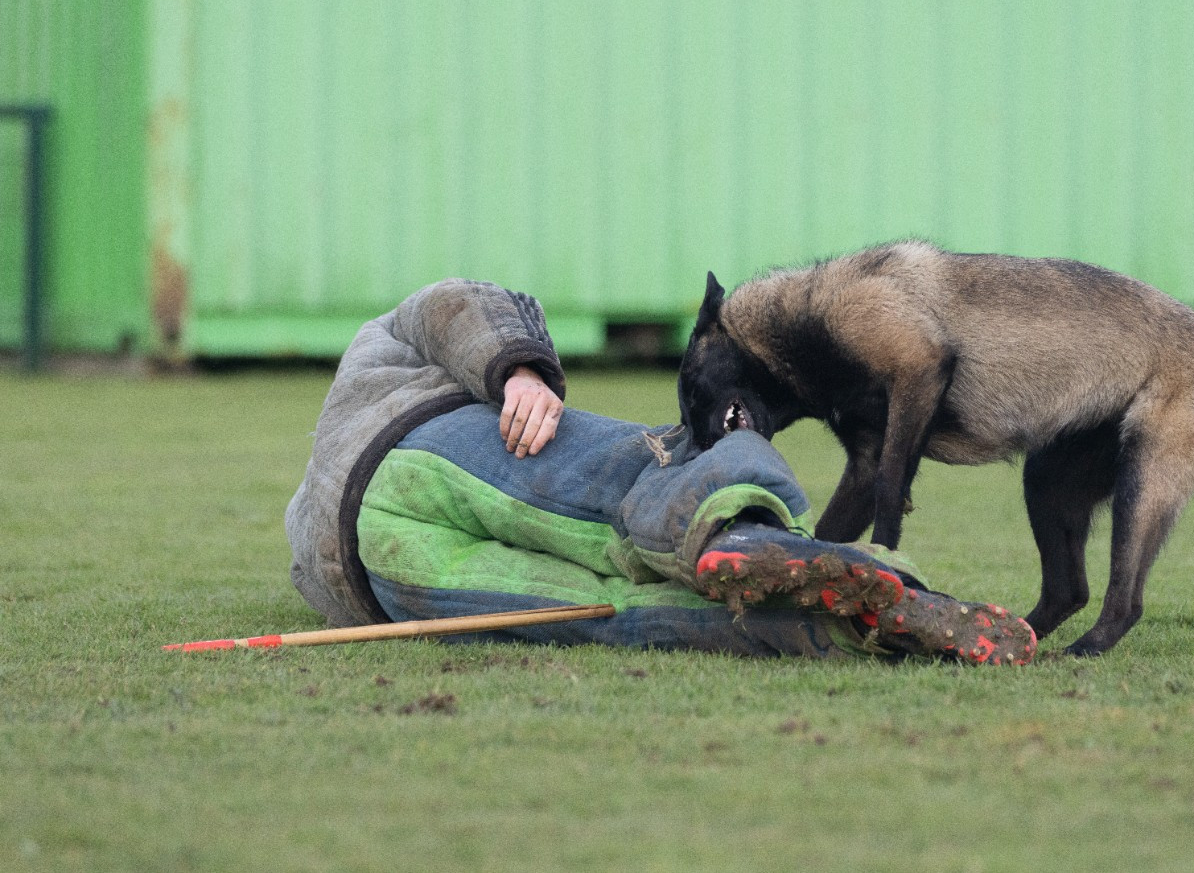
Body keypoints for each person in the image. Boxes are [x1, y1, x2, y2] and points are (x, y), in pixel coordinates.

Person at [286, 279, 1036, 664]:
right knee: (638, 485)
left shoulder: (301, 527)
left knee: (602, 614)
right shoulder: (374, 354)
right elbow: (452, 302)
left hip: (380, 569)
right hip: (423, 447)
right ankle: (782, 547)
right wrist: (518, 370)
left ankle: (808, 628)